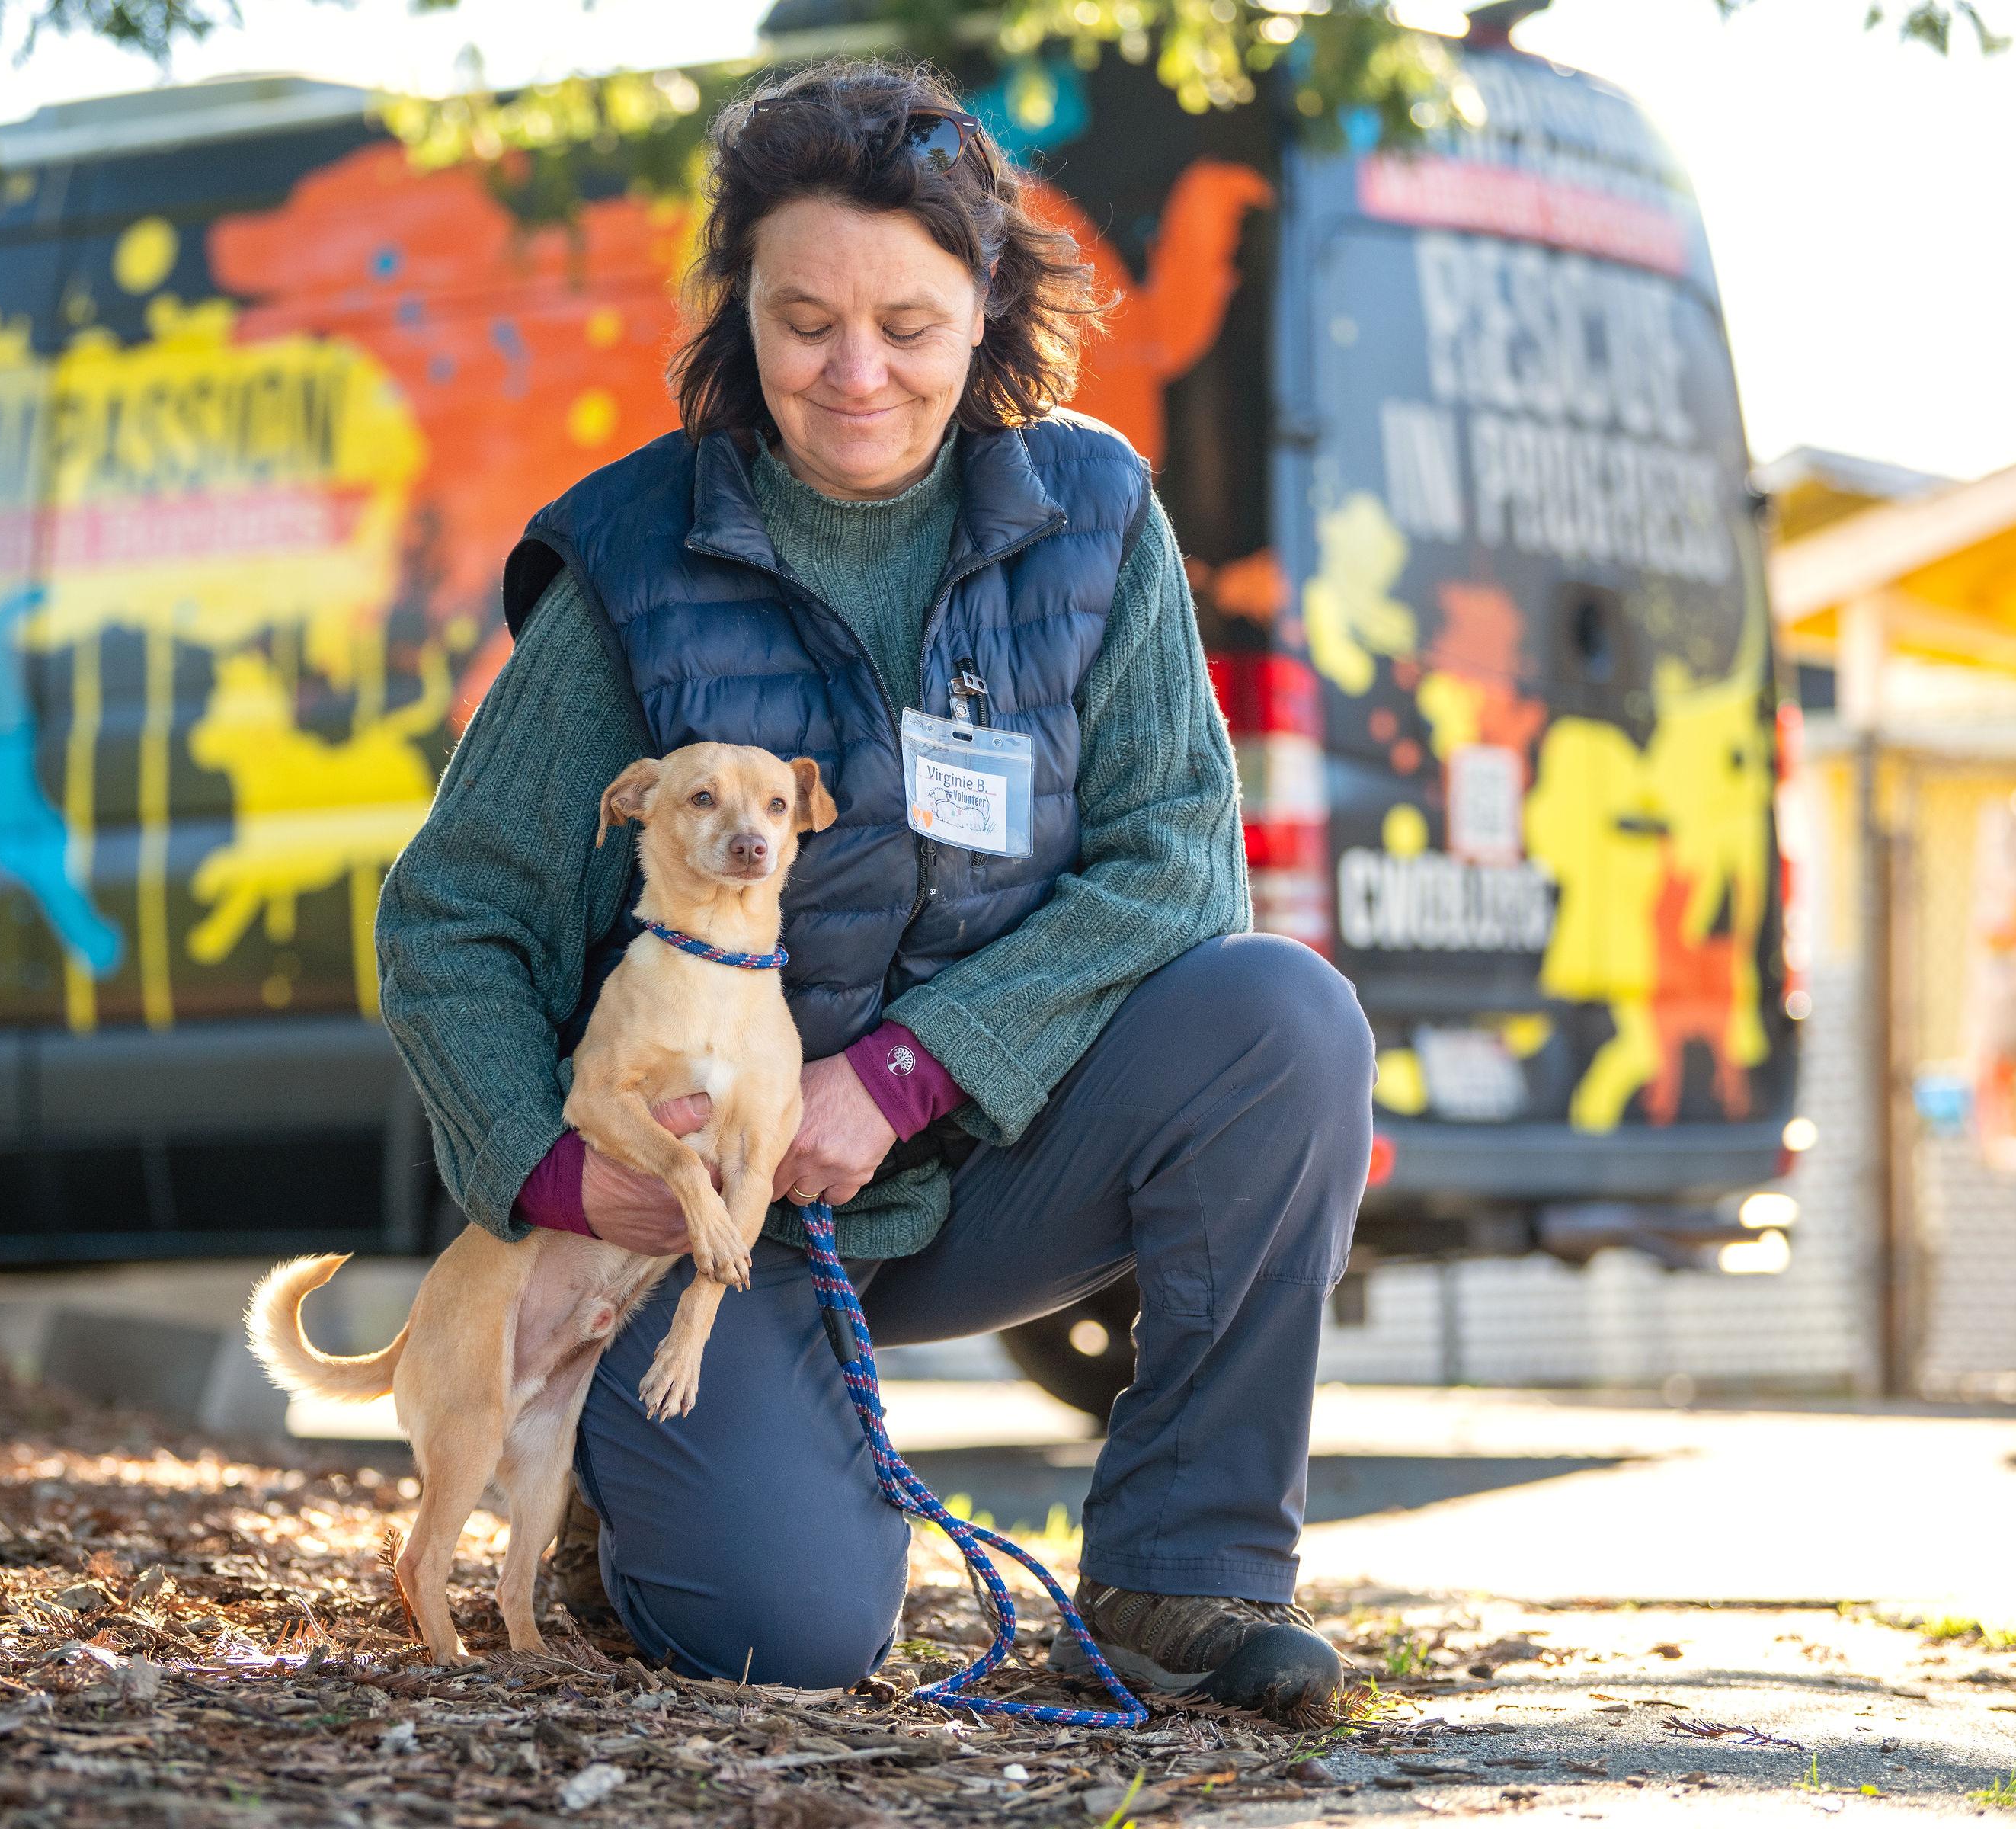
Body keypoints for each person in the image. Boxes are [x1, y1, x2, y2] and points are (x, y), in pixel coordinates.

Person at [377, 58, 1376, 1720]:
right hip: (707, 1228)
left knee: (1285, 1020)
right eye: (804, 322)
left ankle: (1180, 1578)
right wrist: (558, 1177)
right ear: (741, 313)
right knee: (792, 1637)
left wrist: (910, 1072)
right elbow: (450, 919)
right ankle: (628, 1495)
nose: (855, 375)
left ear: (985, 308)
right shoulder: (633, 561)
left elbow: (1179, 868)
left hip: (985, 1163)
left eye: (907, 326)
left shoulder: (1095, 517)